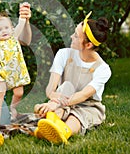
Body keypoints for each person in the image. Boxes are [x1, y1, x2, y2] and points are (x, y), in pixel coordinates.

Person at [33, 11, 112, 145]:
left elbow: (82, 96)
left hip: (88, 106)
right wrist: (53, 102)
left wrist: (56, 103)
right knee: (54, 110)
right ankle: (47, 125)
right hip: (63, 97)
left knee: (75, 117)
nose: (71, 36)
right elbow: (50, 90)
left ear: (88, 45)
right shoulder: (63, 54)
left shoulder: (103, 69)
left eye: (76, 36)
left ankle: (63, 131)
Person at [0, 12, 31, 125]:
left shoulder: (14, 38)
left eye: (6, 28)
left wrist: (23, 15)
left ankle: (13, 108)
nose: (4, 31)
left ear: (12, 29)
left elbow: (21, 23)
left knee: (19, 93)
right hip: (1, 72)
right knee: (0, 93)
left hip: (16, 71)